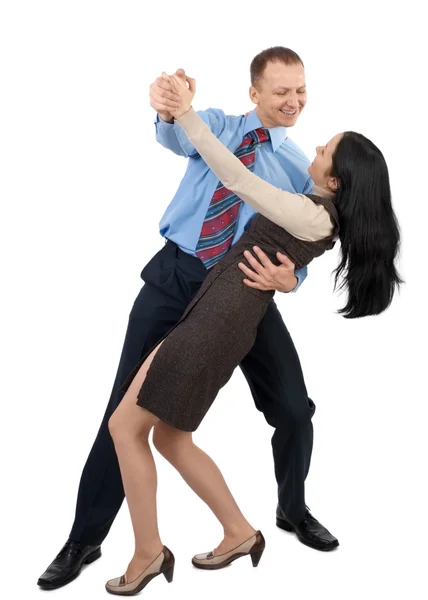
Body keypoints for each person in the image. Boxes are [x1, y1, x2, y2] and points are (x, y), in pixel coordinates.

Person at [39, 47, 339, 591]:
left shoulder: (302, 167)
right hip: (177, 279)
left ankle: (292, 510)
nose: (293, 102)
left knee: (294, 409)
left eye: (301, 91)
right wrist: (168, 106)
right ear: (255, 93)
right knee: (125, 407)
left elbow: (307, 238)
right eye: (281, 91)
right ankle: (85, 537)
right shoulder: (219, 126)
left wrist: (291, 281)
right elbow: (177, 134)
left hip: (244, 293)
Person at [104, 71, 401, 595]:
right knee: (171, 436)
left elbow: (236, 178)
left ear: (334, 181)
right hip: (214, 310)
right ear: (255, 93)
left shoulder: (312, 214)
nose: (316, 142)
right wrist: (177, 113)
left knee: (125, 428)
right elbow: (184, 144)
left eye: (327, 149)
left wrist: (190, 111)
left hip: (218, 321)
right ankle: (239, 532)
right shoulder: (315, 207)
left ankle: (147, 553)